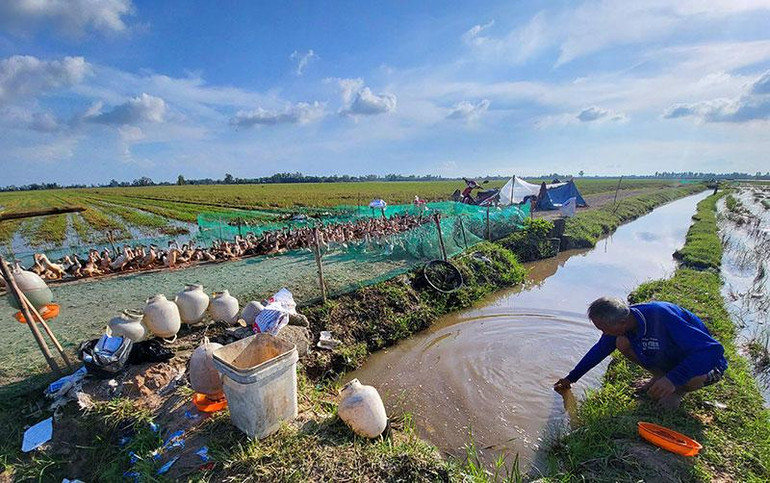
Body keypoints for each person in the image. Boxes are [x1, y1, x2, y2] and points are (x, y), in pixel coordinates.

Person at [554, 297, 727, 409]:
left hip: (710, 367)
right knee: (621, 342)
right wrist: (571, 378)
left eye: (604, 329)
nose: (603, 333)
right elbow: (599, 351)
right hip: (669, 357)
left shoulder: (662, 316)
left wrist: (673, 379)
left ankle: (678, 391)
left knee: (692, 377)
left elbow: (712, 350)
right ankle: (658, 378)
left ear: (621, 323)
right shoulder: (622, 323)